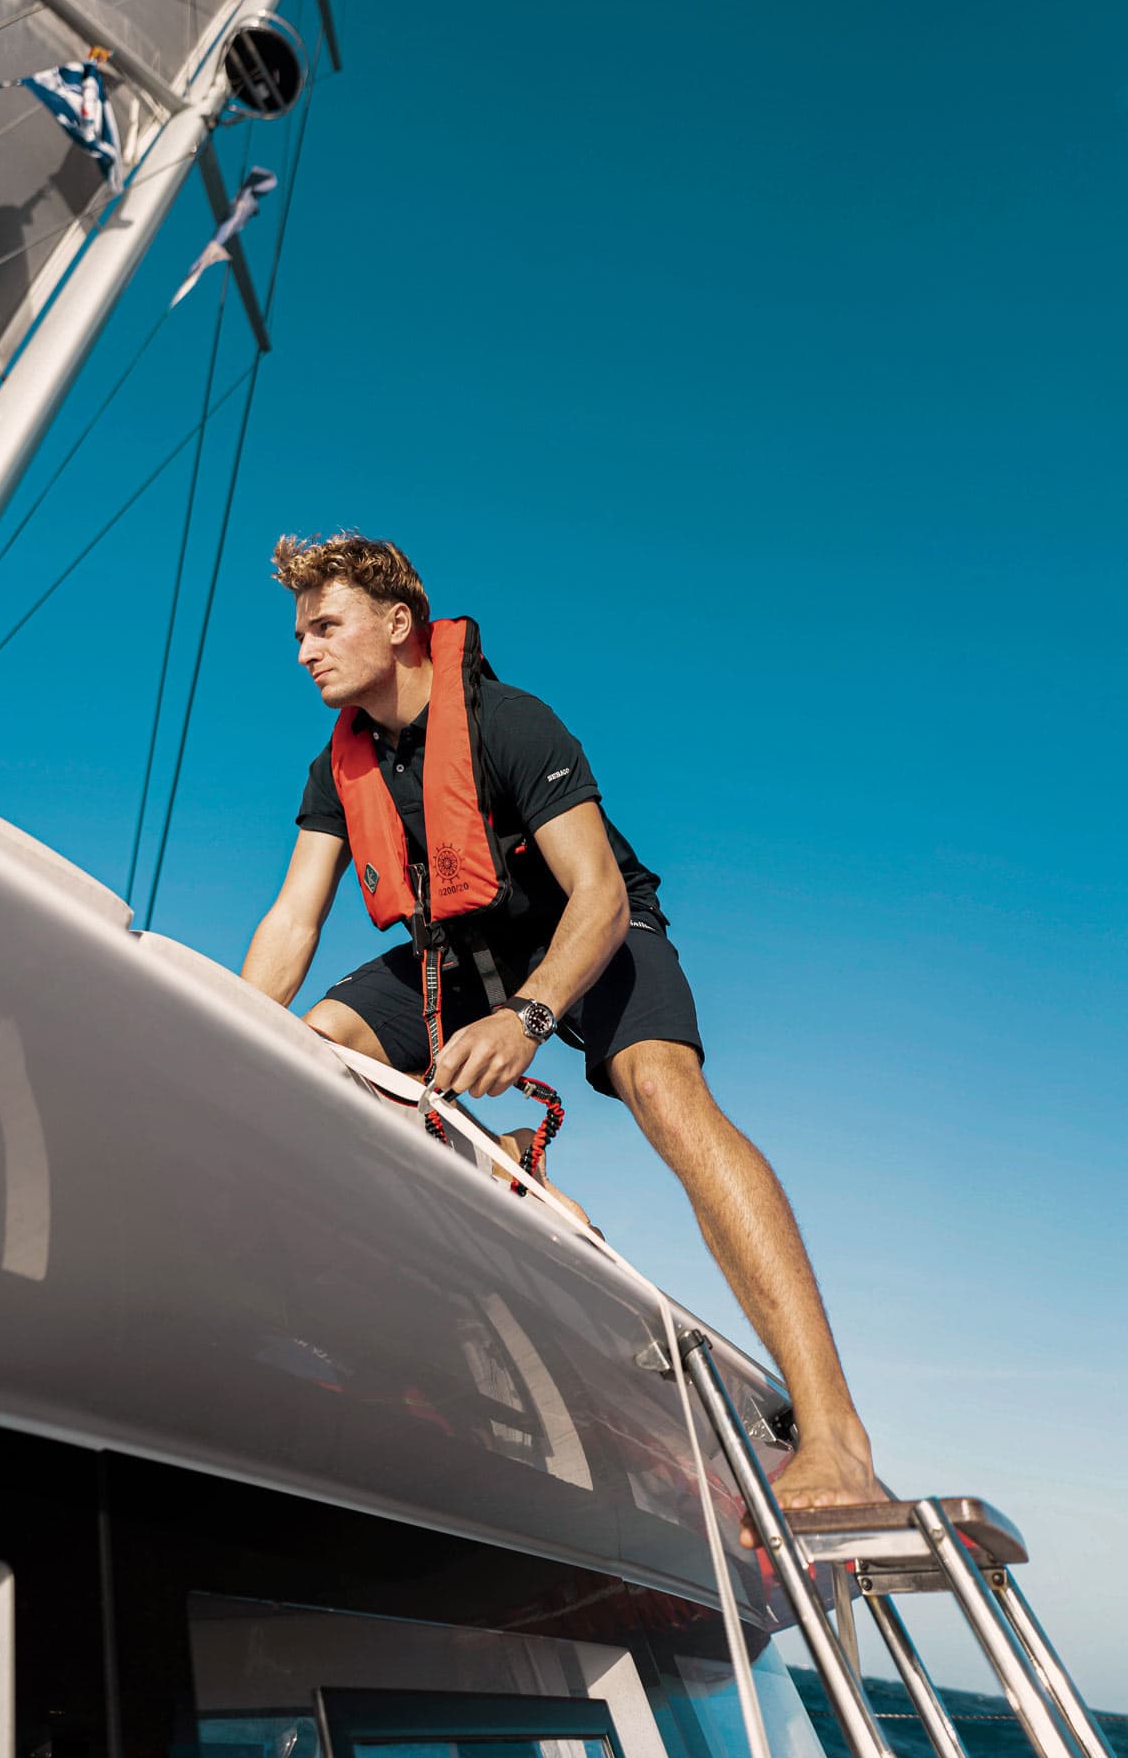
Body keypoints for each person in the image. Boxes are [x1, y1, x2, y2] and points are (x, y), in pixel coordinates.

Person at [242, 533, 884, 1537]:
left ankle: (838, 1441)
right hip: (455, 955)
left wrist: (530, 1016)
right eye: (298, 634)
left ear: (397, 624)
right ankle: (495, 1170)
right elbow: (291, 919)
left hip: (584, 935)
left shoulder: (510, 723)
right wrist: (239, 1039)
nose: (303, 651)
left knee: (662, 1091)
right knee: (321, 1043)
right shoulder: (340, 766)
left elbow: (593, 894)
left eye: (324, 626)